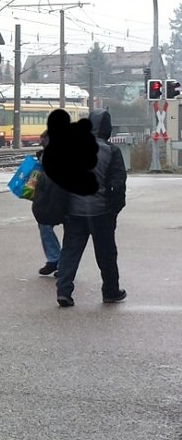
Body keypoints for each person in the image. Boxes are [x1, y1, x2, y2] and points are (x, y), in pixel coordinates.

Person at [55, 108, 127, 307]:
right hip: (101, 210)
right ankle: (111, 291)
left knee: (70, 251)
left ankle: (64, 291)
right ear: (107, 128)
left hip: (73, 210)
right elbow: (118, 183)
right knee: (106, 253)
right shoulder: (111, 150)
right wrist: (115, 208)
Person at [35, 130, 60, 277]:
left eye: (42, 139)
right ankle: (55, 259)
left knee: (71, 232)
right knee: (44, 225)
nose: (40, 142)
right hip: (49, 197)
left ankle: (60, 262)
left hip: (62, 197)